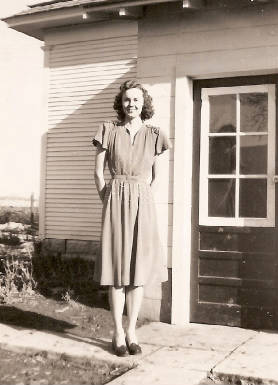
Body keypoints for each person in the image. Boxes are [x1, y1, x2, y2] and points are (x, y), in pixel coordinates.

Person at [92, 80, 170, 357]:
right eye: (127, 100)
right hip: (115, 201)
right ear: (121, 103)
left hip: (142, 204)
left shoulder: (155, 134)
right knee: (116, 272)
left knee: (137, 274)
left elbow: (158, 176)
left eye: (136, 100)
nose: (131, 104)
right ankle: (116, 333)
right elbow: (99, 173)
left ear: (144, 103)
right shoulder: (109, 130)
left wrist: (145, 198)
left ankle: (132, 331)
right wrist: (109, 199)